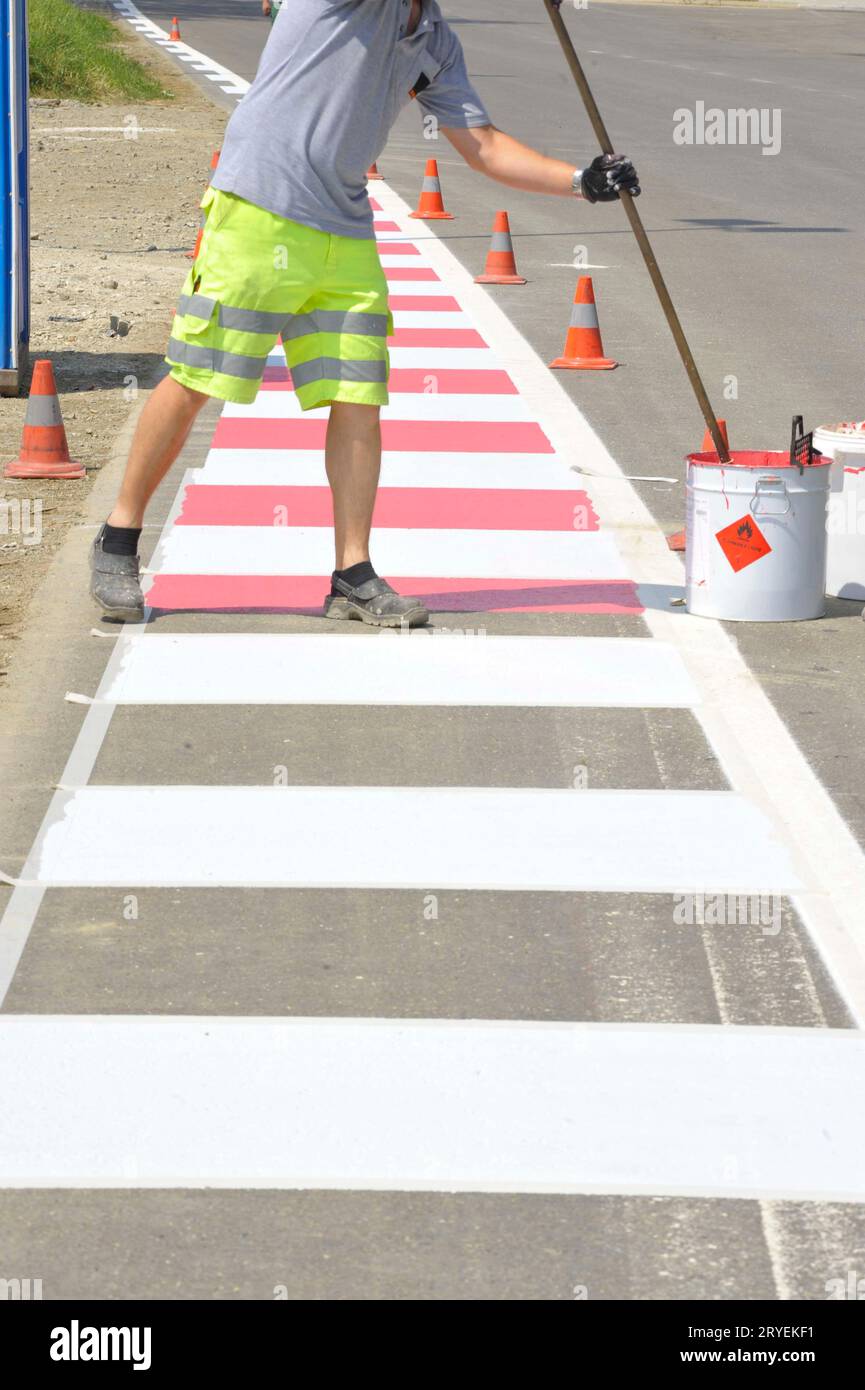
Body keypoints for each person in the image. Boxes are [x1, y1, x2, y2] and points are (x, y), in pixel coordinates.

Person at [90, 0, 640, 626]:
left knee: (359, 394)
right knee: (196, 377)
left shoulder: (433, 39)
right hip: (257, 208)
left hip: (343, 229)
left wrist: (581, 182)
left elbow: (483, 146)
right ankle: (117, 539)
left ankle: (352, 574)